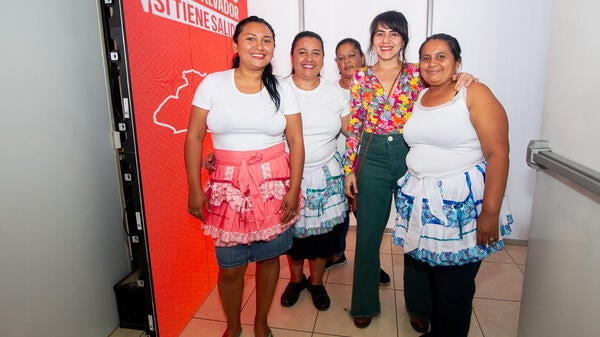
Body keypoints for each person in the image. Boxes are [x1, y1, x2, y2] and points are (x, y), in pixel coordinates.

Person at [343, 11, 475, 329]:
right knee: (368, 234)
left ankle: (420, 305)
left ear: (403, 39)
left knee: (414, 234)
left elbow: (449, 85)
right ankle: (363, 301)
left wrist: (466, 77)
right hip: (371, 154)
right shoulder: (360, 77)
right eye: (379, 33)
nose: (386, 40)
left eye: (393, 34)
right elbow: (356, 125)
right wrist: (350, 168)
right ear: (372, 39)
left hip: (410, 154)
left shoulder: (419, 73)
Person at [184, 16, 304, 337]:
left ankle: (261, 323)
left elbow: (295, 140)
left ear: (273, 48)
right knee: (231, 266)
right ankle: (233, 326)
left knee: (268, 260)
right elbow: (194, 136)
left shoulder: (283, 89)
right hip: (228, 189)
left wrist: (293, 190)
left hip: (273, 188)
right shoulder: (213, 83)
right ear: (236, 44)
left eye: (266, 40)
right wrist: (195, 188)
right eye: (250, 38)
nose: (259, 46)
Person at [392, 33, 512, 337]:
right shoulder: (421, 96)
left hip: (461, 209)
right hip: (426, 205)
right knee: (434, 279)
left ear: (457, 62)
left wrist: (490, 212)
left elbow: (498, 153)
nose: (433, 63)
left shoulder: (473, 93)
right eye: (427, 58)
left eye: (442, 56)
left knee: (454, 288)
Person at [279, 31, 349, 311]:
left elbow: (352, 132)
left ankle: (317, 283)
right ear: (292, 56)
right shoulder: (277, 89)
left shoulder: (336, 93)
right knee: (292, 237)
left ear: (323, 59)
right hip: (286, 178)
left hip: (326, 176)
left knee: (322, 239)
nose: (309, 58)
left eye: (316, 52)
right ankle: (296, 280)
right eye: (302, 52)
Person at [326, 37, 392, 288]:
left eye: (351, 55)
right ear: (336, 63)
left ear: (362, 58)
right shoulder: (331, 90)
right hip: (337, 163)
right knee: (338, 214)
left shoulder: (375, 85)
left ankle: (369, 265)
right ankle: (337, 253)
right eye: (341, 58)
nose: (346, 61)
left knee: (366, 218)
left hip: (368, 163)